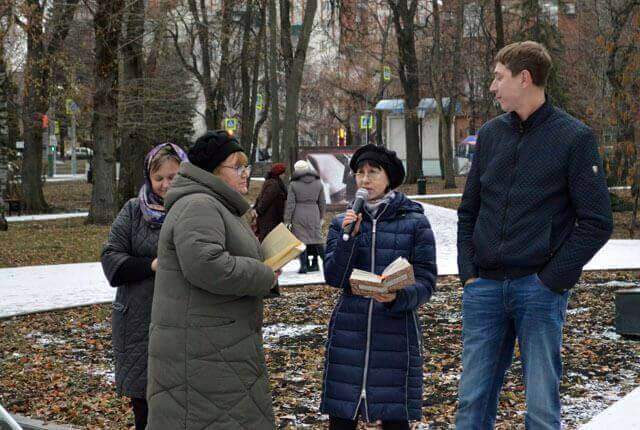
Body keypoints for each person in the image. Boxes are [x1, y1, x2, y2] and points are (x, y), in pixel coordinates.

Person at [455, 41, 613, 429]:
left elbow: (597, 221)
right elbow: (469, 211)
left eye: (498, 77)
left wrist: (551, 280)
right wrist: (469, 274)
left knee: (541, 408)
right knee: (471, 402)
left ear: (524, 79)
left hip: (538, 290)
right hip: (485, 289)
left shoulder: (574, 138)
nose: (492, 87)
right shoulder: (490, 136)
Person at [146, 130, 279, 430]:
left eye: (247, 166)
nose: (247, 174)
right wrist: (264, 274)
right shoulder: (199, 205)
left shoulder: (213, 204)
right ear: (213, 171)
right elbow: (206, 265)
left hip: (214, 347)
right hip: (204, 354)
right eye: (238, 166)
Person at [320, 144, 437, 429]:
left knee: (395, 419)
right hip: (350, 331)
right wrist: (350, 238)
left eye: (373, 172)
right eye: (360, 173)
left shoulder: (414, 222)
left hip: (394, 333)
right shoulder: (341, 223)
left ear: (389, 178)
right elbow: (334, 277)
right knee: (342, 416)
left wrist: (398, 296)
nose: (365, 179)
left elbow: (426, 280)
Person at [101, 143, 188, 430]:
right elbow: (111, 258)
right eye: (159, 178)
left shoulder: (194, 210)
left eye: (173, 176)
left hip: (183, 320)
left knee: (182, 404)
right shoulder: (133, 210)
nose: (165, 184)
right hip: (138, 321)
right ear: (149, 178)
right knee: (146, 406)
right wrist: (151, 265)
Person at [284, 160, 326, 273]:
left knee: (301, 241)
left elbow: (290, 204)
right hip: (314, 212)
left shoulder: (293, 184)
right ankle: (326, 263)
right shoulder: (318, 182)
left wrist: (287, 220)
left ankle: (304, 266)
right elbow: (322, 202)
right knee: (317, 239)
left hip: (299, 213)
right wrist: (321, 216)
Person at [252, 162, 287, 242]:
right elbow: (265, 200)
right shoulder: (273, 184)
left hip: (271, 218)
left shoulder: (274, 182)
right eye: (283, 173)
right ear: (279, 174)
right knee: (267, 243)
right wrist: (258, 211)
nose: (284, 175)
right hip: (269, 220)